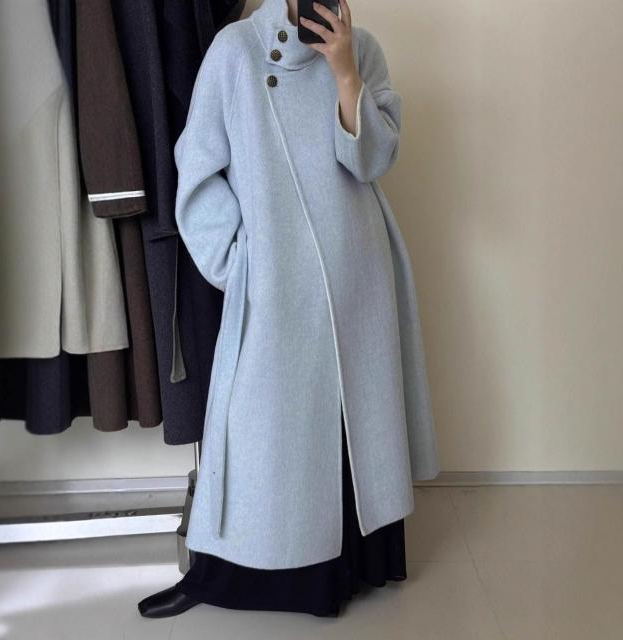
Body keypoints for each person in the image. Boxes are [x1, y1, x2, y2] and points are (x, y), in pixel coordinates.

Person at [139, 0, 439, 618]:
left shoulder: (364, 49)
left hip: (358, 272)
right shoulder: (236, 51)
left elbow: (373, 161)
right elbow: (197, 171)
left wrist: (346, 72)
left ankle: (355, 567)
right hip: (277, 280)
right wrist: (241, 263)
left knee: (352, 426)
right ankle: (233, 572)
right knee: (265, 428)